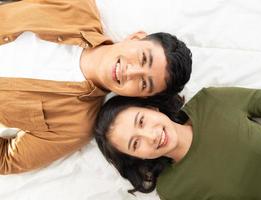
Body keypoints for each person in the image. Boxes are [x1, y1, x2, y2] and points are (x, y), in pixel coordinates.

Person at [0, 0, 192, 174]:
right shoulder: (77, 6)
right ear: (135, 38)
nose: (131, 72)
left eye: (143, 83)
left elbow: (6, 160)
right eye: (143, 58)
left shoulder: (75, 127)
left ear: (140, 98)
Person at [94, 87, 261, 200]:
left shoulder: (211, 101)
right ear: (137, 158)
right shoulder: (173, 192)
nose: (151, 136)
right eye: (136, 144)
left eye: (141, 120)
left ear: (152, 108)